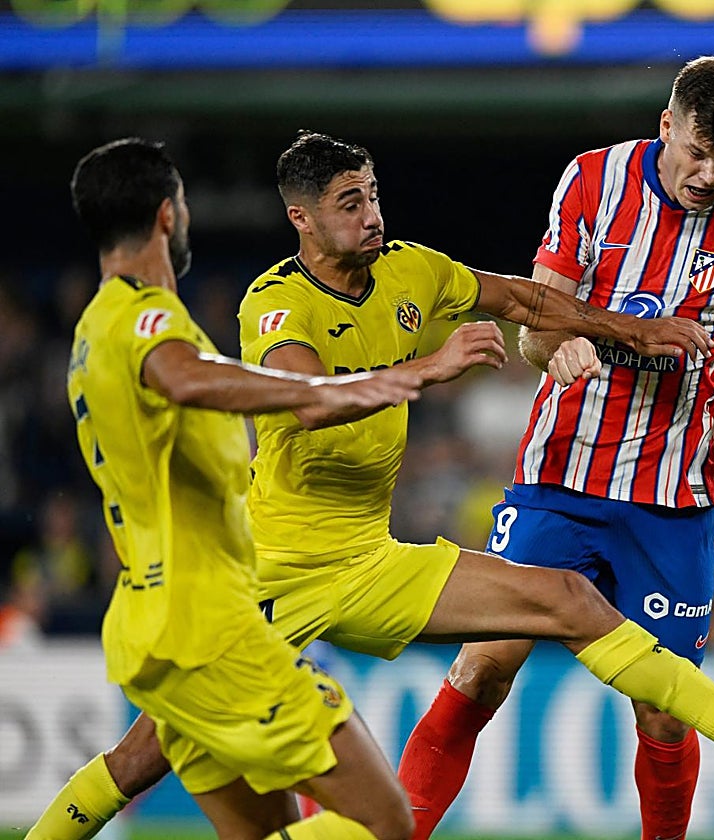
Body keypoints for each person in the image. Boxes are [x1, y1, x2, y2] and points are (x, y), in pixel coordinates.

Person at [25, 131, 714, 839]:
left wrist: (634, 329)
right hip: (273, 570)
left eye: (373, 195)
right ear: (299, 219)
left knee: (563, 597)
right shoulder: (266, 301)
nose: (371, 214)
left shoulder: (411, 271)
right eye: (349, 202)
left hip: (371, 558)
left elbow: (525, 298)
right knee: (153, 763)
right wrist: (425, 369)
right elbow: (302, 396)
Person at [398, 55, 714, 840]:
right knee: (485, 665)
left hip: (675, 497)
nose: (708, 173)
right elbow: (535, 320)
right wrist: (556, 347)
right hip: (562, 475)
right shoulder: (594, 180)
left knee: (663, 708)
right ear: (666, 125)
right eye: (695, 151)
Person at [48, 136, 431, 840]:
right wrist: (355, 384)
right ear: (168, 216)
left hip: (150, 622)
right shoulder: (146, 320)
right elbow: (184, 377)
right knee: (387, 823)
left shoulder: (91, 332)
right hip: (211, 626)